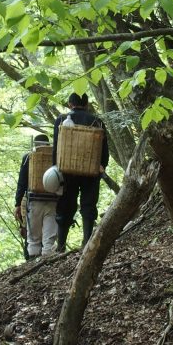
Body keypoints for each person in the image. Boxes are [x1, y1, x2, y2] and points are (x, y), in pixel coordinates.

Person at [52, 93, 109, 251]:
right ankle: (87, 242)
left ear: (70, 104)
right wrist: (101, 166)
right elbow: (104, 151)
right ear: (87, 104)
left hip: (67, 172)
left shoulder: (62, 120)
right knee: (88, 206)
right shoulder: (97, 122)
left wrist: (55, 169)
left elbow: (56, 148)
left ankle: (61, 246)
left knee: (65, 207)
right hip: (91, 172)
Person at [14, 134, 60, 260]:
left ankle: (32, 265)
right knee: (49, 239)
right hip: (53, 201)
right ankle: (47, 265)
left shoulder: (28, 157)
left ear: (35, 145)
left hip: (34, 201)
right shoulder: (56, 157)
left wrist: (17, 203)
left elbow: (22, 183)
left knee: (33, 239)